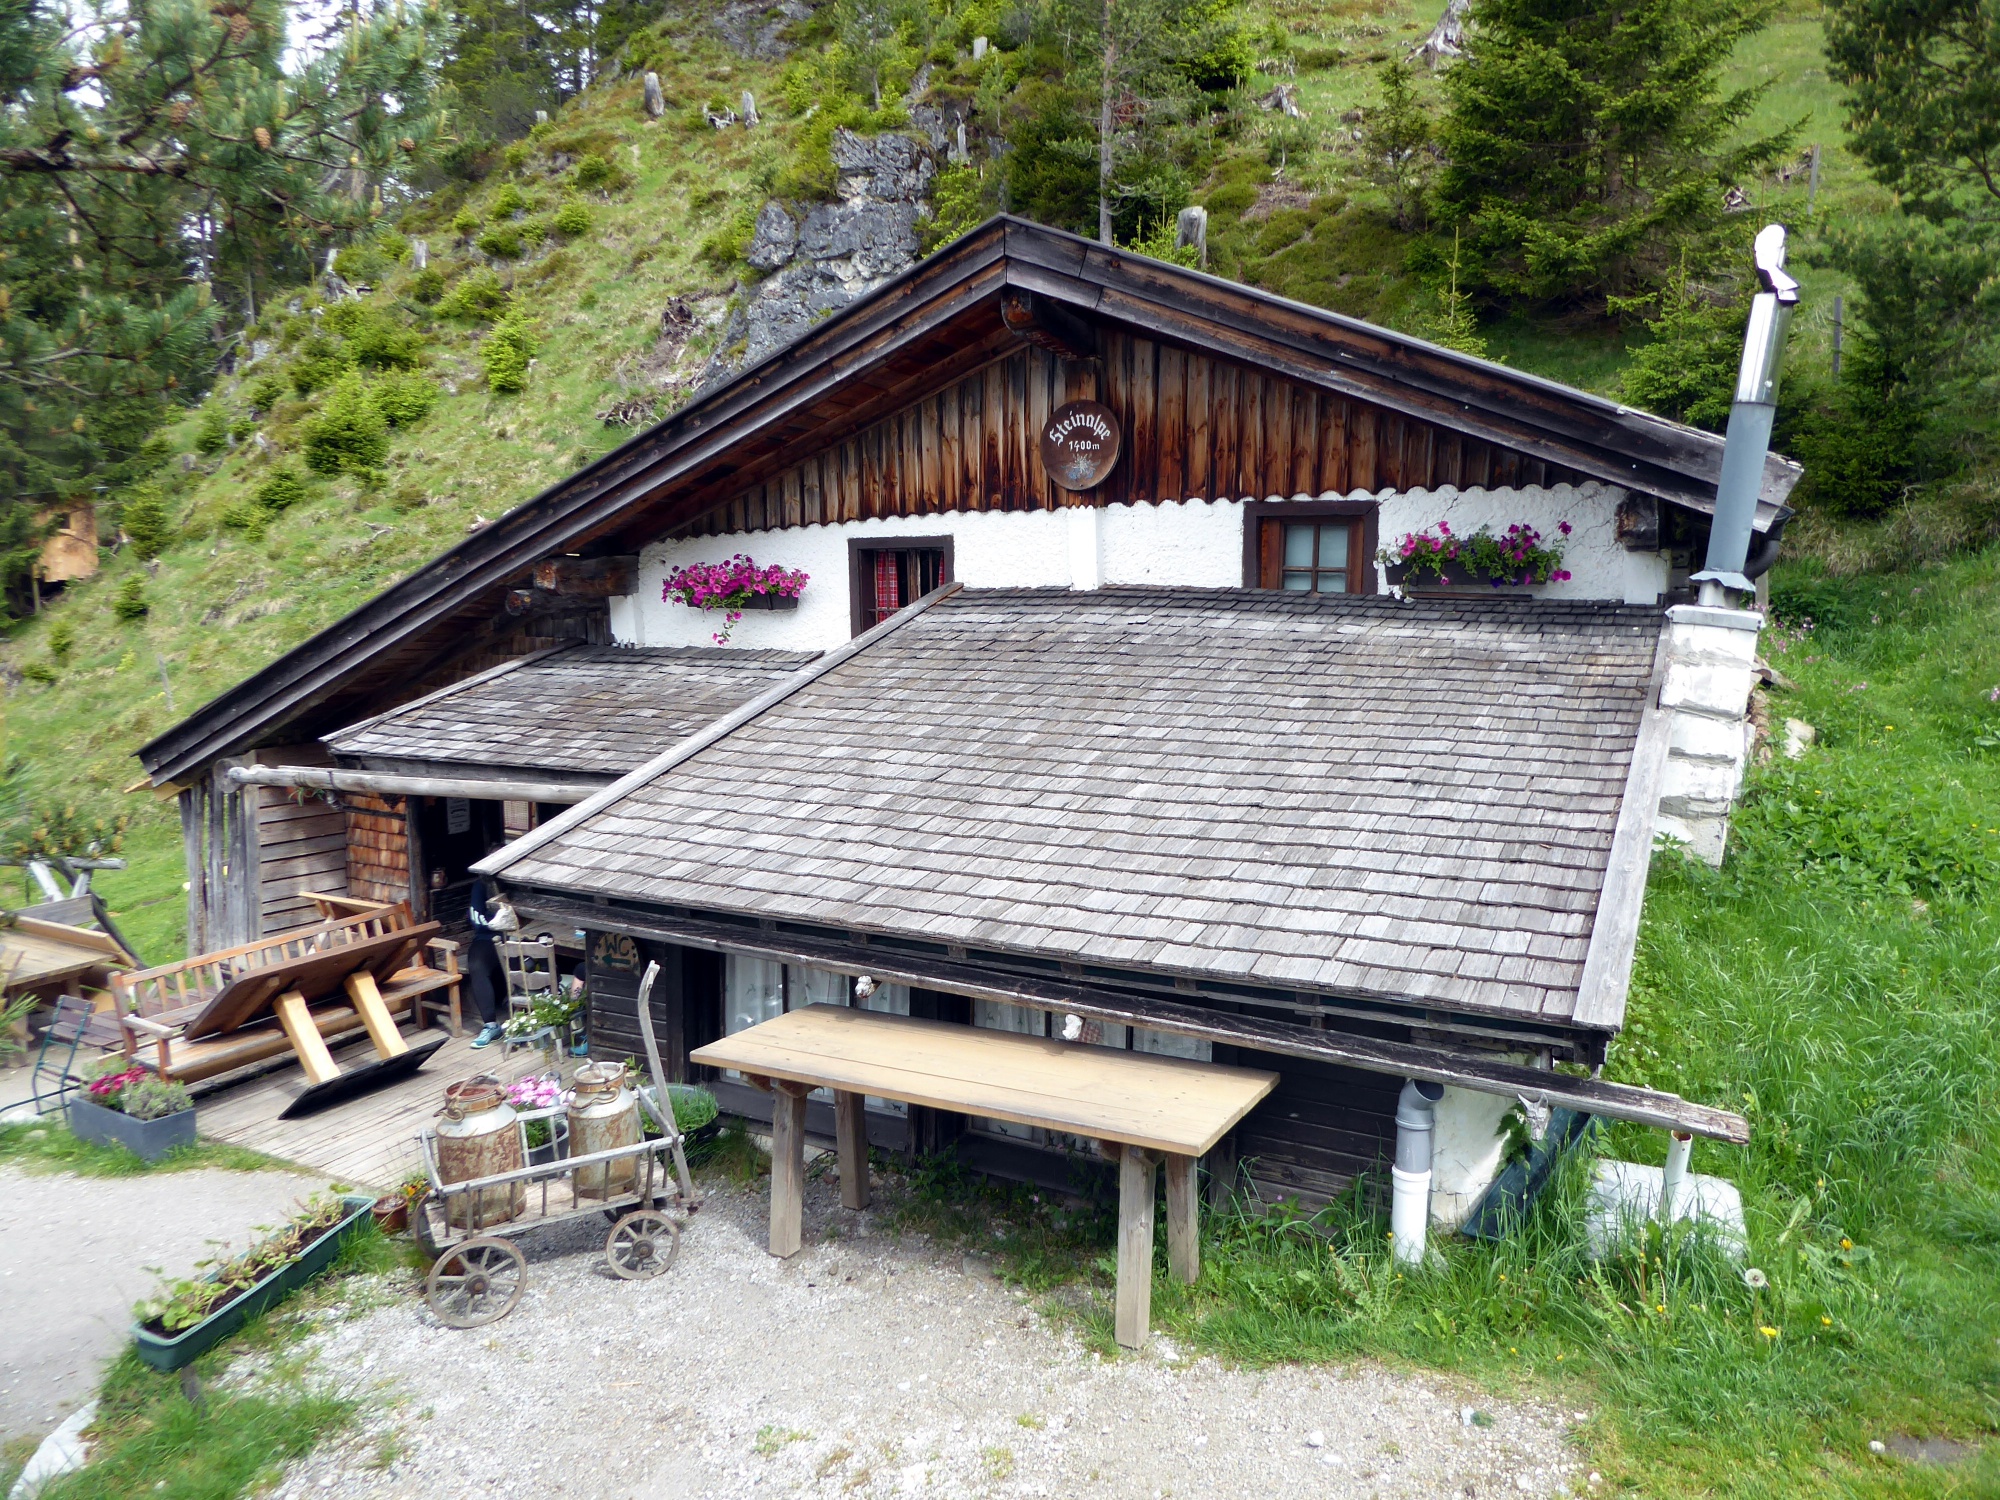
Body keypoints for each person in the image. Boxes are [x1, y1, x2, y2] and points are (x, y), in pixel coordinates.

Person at [465, 851, 509, 1048]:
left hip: (517, 936)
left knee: (532, 961)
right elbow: (478, 920)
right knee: (477, 966)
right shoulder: (480, 886)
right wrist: (499, 922)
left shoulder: (516, 882)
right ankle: (490, 1025)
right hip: (488, 937)